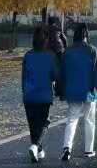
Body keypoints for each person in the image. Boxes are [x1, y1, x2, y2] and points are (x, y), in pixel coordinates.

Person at [60, 23, 97, 161]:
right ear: (86, 35)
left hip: (73, 92)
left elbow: (62, 74)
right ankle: (88, 150)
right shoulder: (92, 50)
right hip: (89, 92)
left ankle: (66, 148)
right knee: (89, 120)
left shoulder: (67, 52)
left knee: (72, 119)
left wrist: (61, 91)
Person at [22, 26, 60, 163]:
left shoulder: (28, 55)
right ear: (46, 40)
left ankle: (38, 150)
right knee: (44, 122)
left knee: (33, 125)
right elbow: (56, 75)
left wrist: (24, 92)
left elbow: (23, 76)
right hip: (44, 95)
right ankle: (35, 146)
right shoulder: (50, 56)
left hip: (29, 95)